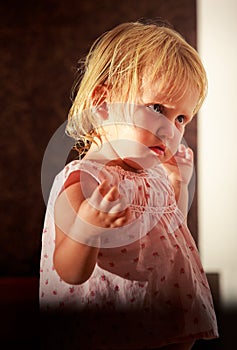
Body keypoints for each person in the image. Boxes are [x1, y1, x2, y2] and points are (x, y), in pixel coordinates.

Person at [39, 20, 219, 350]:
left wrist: (179, 182)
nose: (171, 130)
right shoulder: (84, 178)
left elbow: (173, 227)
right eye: (157, 108)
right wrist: (86, 230)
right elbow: (68, 270)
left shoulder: (154, 177)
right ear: (103, 103)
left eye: (181, 118)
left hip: (165, 323)